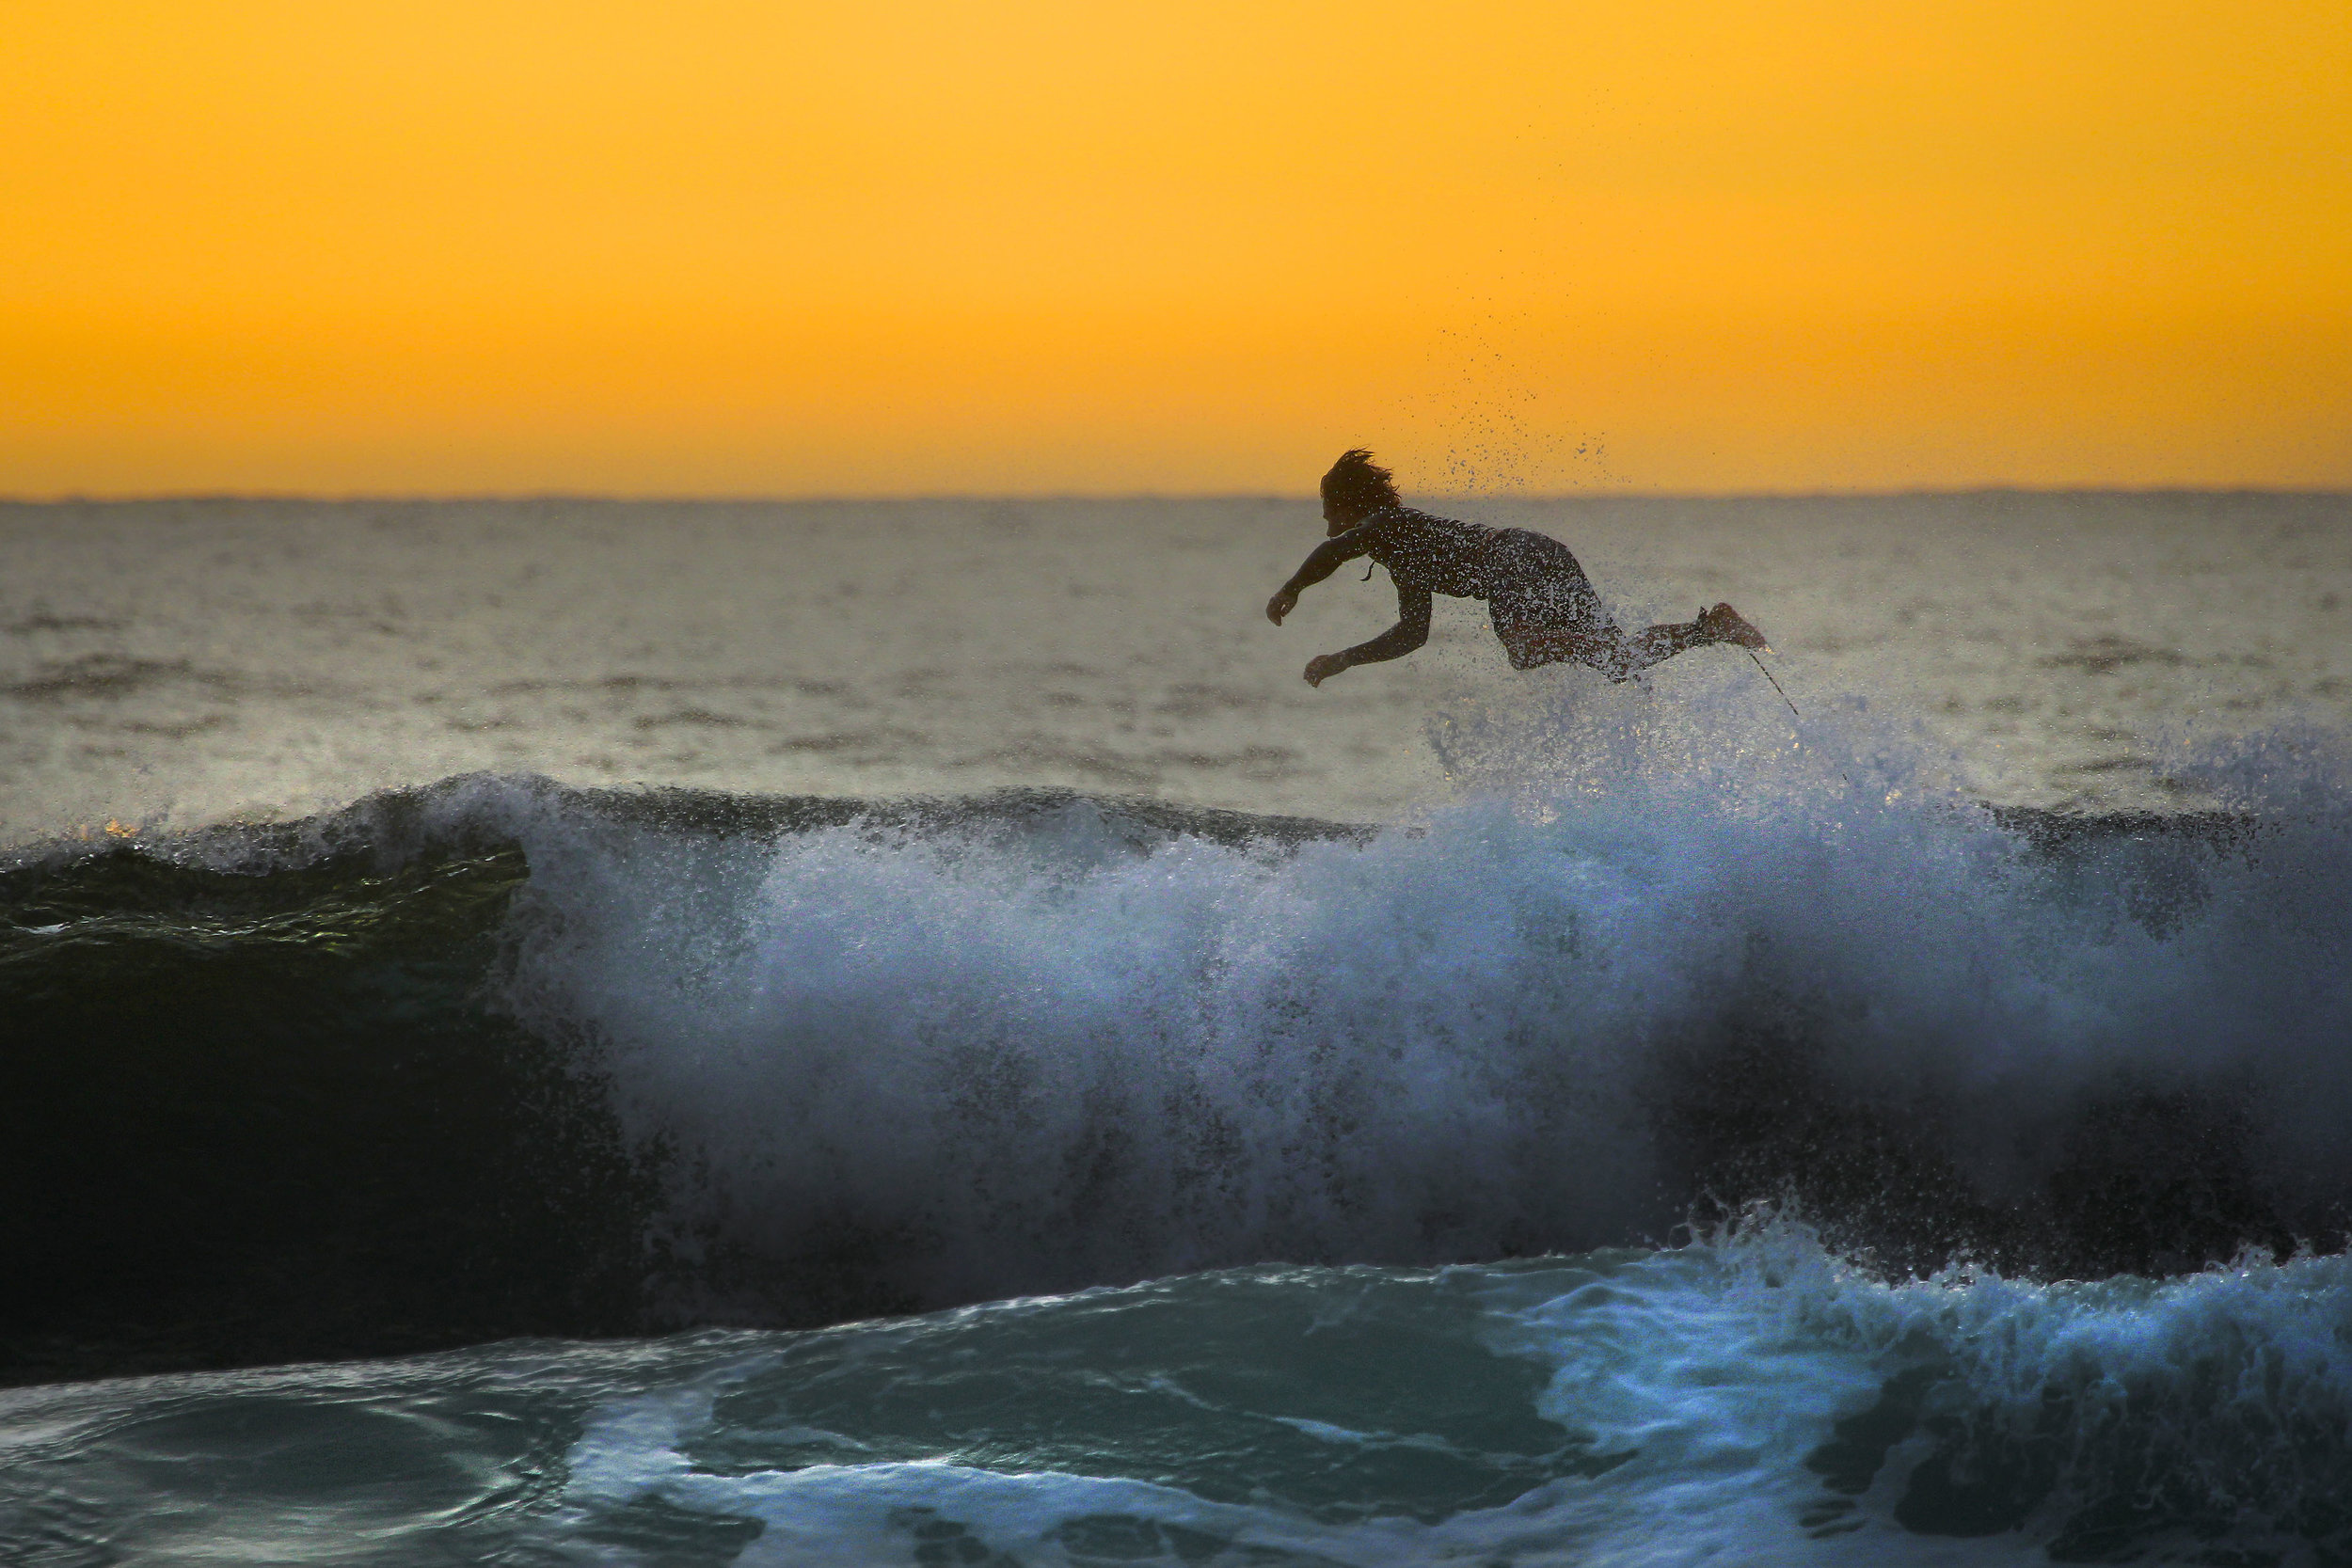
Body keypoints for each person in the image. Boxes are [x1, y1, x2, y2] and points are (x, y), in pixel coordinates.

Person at [1264, 450, 1769, 688]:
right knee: (1618, 663)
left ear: (1353, 506)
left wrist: (1291, 588)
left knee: (1524, 651)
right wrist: (1346, 659)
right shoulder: (1402, 555)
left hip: (1513, 559)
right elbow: (1413, 634)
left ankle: (1592, 643)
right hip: (1541, 553)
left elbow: (1335, 549)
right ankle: (1709, 629)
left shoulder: (1386, 524)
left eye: (1329, 511)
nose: (1328, 525)